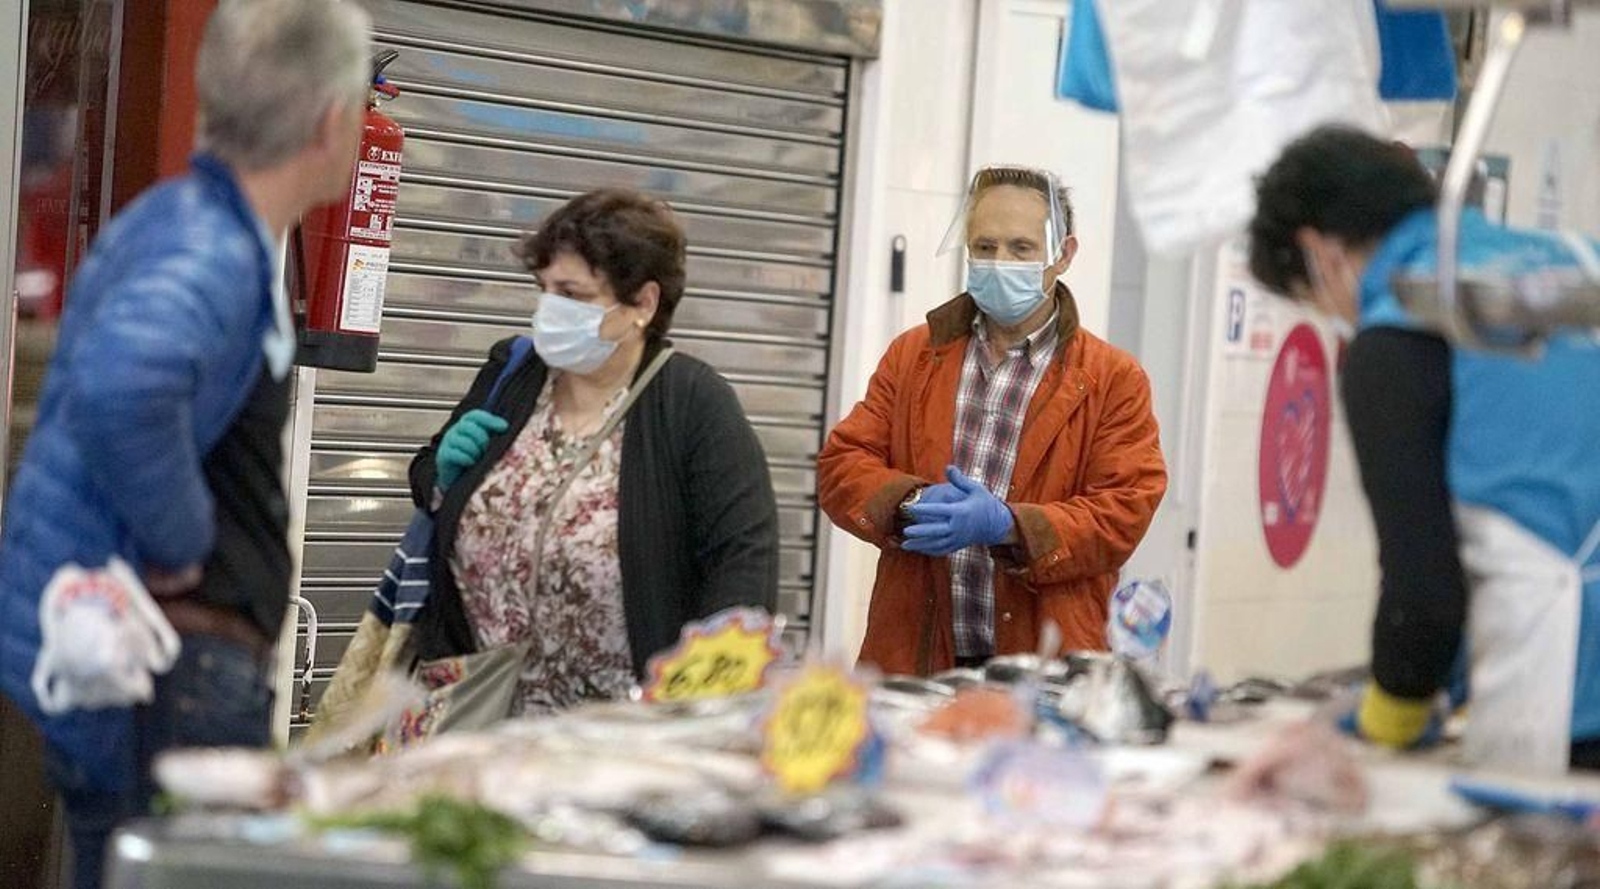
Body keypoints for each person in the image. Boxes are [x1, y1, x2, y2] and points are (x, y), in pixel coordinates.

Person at [0, 1, 372, 884]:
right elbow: (127, 391)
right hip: (174, 676)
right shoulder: (213, 251)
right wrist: (185, 536)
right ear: (330, 120)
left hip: (136, 667)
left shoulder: (181, 221)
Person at [1248, 125, 1600, 774]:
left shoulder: (1402, 332)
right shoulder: (1577, 263)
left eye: (1311, 299)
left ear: (1318, 252)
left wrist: (1385, 723)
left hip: (1567, 690)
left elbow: (1423, 587)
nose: (1334, 314)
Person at [407, 189, 779, 715]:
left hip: (619, 735)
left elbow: (744, 560)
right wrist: (442, 474)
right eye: (544, 290)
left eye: (573, 294)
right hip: (479, 716)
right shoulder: (513, 372)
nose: (549, 310)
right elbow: (431, 478)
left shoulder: (692, 403)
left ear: (643, 305)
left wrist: (697, 705)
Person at [818, 165, 1167, 675]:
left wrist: (1013, 526)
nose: (999, 263)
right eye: (984, 247)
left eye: (1021, 249)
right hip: (915, 658)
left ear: (1063, 255)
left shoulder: (1111, 378)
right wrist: (908, 501)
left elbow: (1124, 510)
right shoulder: (915, 356)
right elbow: (842, 464)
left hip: (1045, 664)